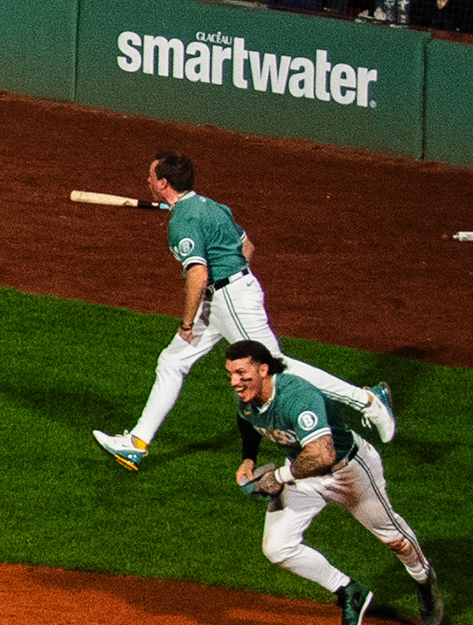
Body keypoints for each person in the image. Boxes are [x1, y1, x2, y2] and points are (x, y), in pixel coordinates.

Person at [94, 153, 393, 469]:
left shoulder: (184, 220)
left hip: (228, 299)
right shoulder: (211, 207)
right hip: (225, 296)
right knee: (172, 361)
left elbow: (198, 273)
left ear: (164, 183)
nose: (148, 182)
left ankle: (369, 402)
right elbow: (247, 247)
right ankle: (136, 443)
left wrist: (190, 321)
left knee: (278, 369)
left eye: (151, 178)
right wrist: (234, 281)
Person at [223, 343, 445, 625]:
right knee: (277, 547)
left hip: (348, 472)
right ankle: (348, 592)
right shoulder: (248, 397)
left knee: (396, 540)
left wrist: (278, 476)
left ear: (263, 370)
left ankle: (423, 578)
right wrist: (249, 457)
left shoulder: (296, 396)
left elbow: (324, 454)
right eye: (230, 374)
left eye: (241, 373)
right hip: (302, 474)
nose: (234, 381)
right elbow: (249, 419)